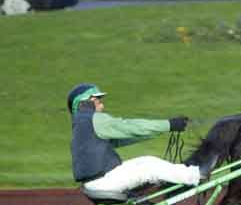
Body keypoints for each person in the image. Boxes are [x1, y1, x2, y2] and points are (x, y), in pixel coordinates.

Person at [68, 83, 202, 196]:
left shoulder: (81, 124)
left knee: (145, 162)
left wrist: (163, 129)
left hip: (95, 183)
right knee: (150, 164)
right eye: (97, 100)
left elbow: (126, 137)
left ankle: (192, 175)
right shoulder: (95, 120)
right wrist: (169, 124)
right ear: (86, 101)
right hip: (105, 182)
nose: (102, 105)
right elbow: (131, 127)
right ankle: (199, 175)